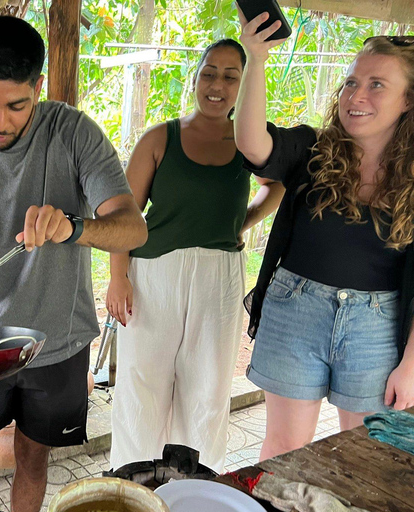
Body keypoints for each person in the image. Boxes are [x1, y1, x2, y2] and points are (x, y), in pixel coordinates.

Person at [0, 16, 147, 512]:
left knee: (34, 460)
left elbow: (132, 227)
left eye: (17, 105)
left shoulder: (74, 133)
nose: (0, 121)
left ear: (38, 87)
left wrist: (73, 228)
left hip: (55, 341)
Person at [235, 11, 414, 460]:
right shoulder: (314, 150)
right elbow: (253, 144)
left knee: (371, 457)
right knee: (284, 450)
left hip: (378, 325)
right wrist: (255, 59)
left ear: (408, 100)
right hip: (296, 309)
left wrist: (412, 364)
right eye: (353, 81)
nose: (357, 95)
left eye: (377, 85)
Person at [107, 39, 285, 473]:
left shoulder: (250, 142)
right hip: (152, 278)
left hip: (218, 282)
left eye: (230, 76)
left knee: (207, 390)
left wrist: (239, 223)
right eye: (209, 72)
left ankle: (193, 489)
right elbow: (121, 214)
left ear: (243, 87)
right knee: (141, 386)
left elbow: (277, 183)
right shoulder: (160, 138)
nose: (217, 84)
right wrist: (118, 277)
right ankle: (132, 488)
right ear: (195, 78)